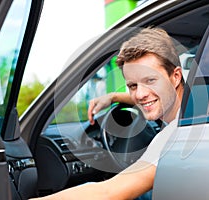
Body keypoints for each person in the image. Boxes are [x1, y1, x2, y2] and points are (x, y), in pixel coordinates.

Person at [31, 27, 184, 200]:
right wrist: (113, 97)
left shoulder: (177, 133)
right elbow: (152, 96)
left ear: (176, 76)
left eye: (150, 80)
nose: (140, 94)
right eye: (133, 86)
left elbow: (108, 193)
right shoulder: (205, 105)